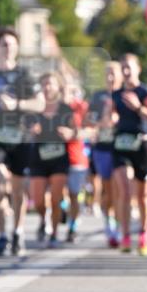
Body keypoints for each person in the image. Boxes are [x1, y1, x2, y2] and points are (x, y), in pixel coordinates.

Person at [0, 27, 42, 257]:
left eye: (13, 45)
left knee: (17, 190)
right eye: (4, 44)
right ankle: (2, 234)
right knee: (0, 181)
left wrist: (16, 104)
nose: (9, 48)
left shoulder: (25, 74)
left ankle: (18, 231)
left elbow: (40, 103)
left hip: (21, 138)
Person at [111, 53, 147, 255]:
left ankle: (144, 231)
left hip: (142, 144)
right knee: (124, 190)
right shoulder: (116, 94)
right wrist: (109, 117)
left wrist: (138, 107)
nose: (125, 71)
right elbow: (110, 115)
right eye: (122, 68)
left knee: (142, 195)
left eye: (129, 67)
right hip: (121, 144)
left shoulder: (145, 92)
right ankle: (125, 235)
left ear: (137, 69)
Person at [27, 72, 76, 247]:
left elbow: (76, 131)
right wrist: (31, 131)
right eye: (44, 84)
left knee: (56, 199)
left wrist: (70, 133)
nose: (47, 88)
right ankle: (43, 218)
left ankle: (54, 234)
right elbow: (24, 129)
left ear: (58, 87)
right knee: (38, 201)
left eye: (51, 84)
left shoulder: (65, 109)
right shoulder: (34, 109)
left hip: (59, 158)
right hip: (38, 158)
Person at [86, 61, 122, 247]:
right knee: (109, 189)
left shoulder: (125, 95)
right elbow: (89, 121)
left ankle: (121, 223)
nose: (110, 77)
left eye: (113, 73)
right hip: (102, 147)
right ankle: (110, 222)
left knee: (121, 188)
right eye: (107, 73)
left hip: (122, 148)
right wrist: (103, 122)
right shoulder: (98, 97)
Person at [63, 81, 89, 244]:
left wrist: (72, 133)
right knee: (53, 192)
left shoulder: (80, 107)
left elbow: (90, 130)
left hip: (75, 157)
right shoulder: (51, 105)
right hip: (54, 157)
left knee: (73, 194)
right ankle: (57, 213)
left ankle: (72, 226)